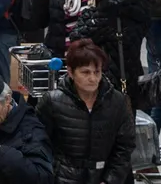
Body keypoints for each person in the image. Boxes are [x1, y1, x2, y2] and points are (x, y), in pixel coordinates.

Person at [36, 40, 136, 184]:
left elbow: (125, 147)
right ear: (71, 72)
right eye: (85, 72)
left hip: (104, 176)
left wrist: (110, 180)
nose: (93, 78)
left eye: (97, 72)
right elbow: (40, 143)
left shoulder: (118, 102)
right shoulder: (52, 102)